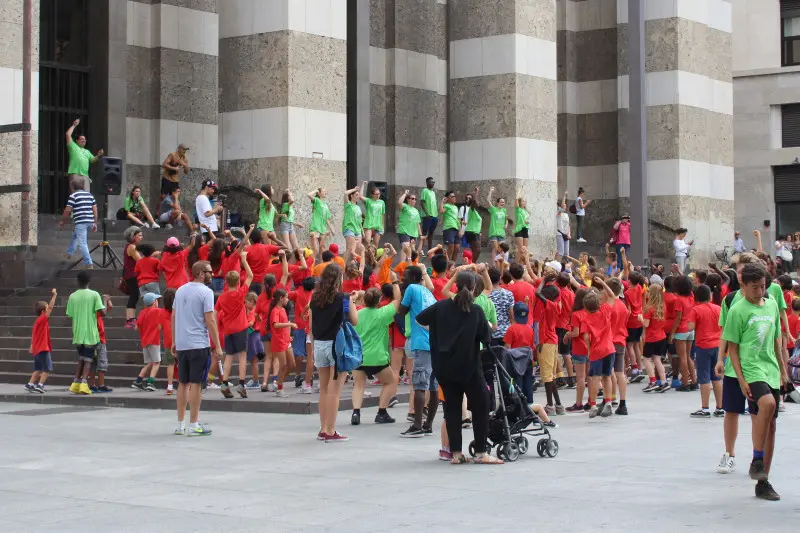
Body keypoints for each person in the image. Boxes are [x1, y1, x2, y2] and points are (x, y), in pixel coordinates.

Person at [416, 270, 501, 464]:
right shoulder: (476, 311)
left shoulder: (441, 307)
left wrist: (437, 331)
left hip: (444, 367)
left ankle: (456, 453)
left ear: (455, 285)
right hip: (469, 367)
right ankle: (480, 452)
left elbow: (420, 319)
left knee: (452, 409)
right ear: (473, 289)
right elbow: (486, 339)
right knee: (480, 407)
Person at [721, 263, 786, 501]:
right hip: (750, 369)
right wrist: (740, 378)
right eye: (755, 287)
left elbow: (776, 339)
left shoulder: (770, 304)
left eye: (763, 286)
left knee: (771, 425)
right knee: (766, 405)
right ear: (743, 286)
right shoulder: (737, 310)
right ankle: (757, 458)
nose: (760, 291)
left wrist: (782, 368)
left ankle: (763, 481)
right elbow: (733, 348)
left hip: (770, 368)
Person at [309, 263, 359, 442]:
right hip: (336, 345)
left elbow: (311, 325)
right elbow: (354, 320)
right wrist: (352, 301)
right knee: (334, 390)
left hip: (320, 344)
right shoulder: (343, 298)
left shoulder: (314, 297)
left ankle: (323, 428)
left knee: (323, 389)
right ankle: (331, 430)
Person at [173, 261, 222, 436]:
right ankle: (194, 423)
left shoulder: (180, 290)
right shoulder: (206, 292)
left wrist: (174, 340)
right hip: (198, 343)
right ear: (201, 273)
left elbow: (174, 316)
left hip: (182, 343)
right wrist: (217, 344)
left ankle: (180, 424)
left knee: (182, 383)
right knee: (196, 384)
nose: (212, 274)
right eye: (209, 271)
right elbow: (210, 320)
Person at [352, 279, 402, 425]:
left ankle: (356, 413)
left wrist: (355, 297)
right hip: (377, 357)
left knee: (359, 385)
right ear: (379, 299)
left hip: (359, 356)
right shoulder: (383, 314)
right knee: (390, 381)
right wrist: (395, 281)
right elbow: (398, 299)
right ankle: (382, 412)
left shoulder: (358, 313)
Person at [398, 265, 438, 437]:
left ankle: (417, 426)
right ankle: (428, 424)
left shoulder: (411, 288)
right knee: (433, 386)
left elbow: (401, 311)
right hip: (434, 343)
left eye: (406, 274)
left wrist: (398, 291)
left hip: (421, 342)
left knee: (420, 384)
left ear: (414, 277)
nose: (403, 276)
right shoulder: (428, 293)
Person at [215, 249, 254, 399]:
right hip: (241, 328)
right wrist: (244, 260)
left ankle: (224, 383)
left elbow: (216, 312)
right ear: (238, 281)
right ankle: (242, 384)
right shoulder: (240, 293)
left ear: (226, 282)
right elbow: (250, 276)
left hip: (228, 329)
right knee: (242, 357)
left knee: (229, 356)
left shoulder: (222, 298)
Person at [66, 271, 107, 395]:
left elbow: (71, 314)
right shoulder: (94, 295)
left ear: (78, 281)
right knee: (88, 360)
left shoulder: (72, 296)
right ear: (89, 281)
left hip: (78, 332)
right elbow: (103, 313)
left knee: (81, 359)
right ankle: (84, 383)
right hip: (90, 332)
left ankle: (76, 383)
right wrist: (105, 301)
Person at [686, 284, 724, 418]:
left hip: (703, 346)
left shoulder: (696, 310)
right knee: (717, 377)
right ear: (710, 295)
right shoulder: (718, 308)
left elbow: (690, 327)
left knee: (704, 377)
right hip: (718, 345)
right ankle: (720, 407)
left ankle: (705, 407)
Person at [581, 278, 617, 419]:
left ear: (585, 307)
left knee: (595, 378)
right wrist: (603, 283)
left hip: (596, 350)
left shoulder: (586, 319)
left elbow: (585, 337)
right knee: (607, 376)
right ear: (598, 303)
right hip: (609, 348)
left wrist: (589, 350)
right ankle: (608, 402)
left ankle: (594, 404)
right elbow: (613, 296)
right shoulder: (605, 311)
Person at [639, 284, 671, 393]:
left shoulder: (649, 308)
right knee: (657, 359)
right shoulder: (662, 306)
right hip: (661, 336)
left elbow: (646, 324)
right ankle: (663, 381)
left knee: (646, 359)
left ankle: (652, 381)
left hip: (651, 337)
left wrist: (640, 319)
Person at [26, 288, 57, 393]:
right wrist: (54, 296)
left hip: (37, 348)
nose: (49, 310)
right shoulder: (42, 319)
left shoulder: (37, 322)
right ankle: (40, 385)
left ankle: (30, 384)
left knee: (38, 368)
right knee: (47, 368)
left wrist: (32, 345)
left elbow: (34, 335)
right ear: (43, 311)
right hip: (43, 348)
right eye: (47, 308)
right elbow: (51, 307)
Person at [60, 181, 98, 268]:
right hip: (90, 221)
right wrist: (95, 222)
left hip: (81, 222)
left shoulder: (73, 196)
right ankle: (69, 253)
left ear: (73, 187)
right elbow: (95, 210)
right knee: (75, 235)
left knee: (82, 243)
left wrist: (63, 221)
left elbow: (68, 210)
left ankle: (88, 263)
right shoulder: (90, 195)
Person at [669, 275, 697, 391]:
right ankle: (694, 381)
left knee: (683, 357)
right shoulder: (692, 296)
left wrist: (672, 333)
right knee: (689, 356)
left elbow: (678, 319)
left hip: (681, 330)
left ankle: (685, 382)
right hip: (691, 329)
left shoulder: (679, 300)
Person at [131, 293, 162, 392]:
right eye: (157, 300)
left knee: (149, 362)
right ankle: (150, 382)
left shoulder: (142, 312)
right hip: (154, 340)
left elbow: (136, 327)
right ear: (154, 302)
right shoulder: (157, 311)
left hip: (145, 341)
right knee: (157, 362)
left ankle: (138, 381)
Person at [65, 118, 103, 191]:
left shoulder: (87, 151)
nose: (84, 140)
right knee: (75, 194)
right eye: (82, 139)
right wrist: (74, 125)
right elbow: (67, 135)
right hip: (75, 174)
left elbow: (92, 160)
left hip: (85, 176)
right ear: (77, 140)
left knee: (86, 195)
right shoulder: (73, 146)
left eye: (85, 139)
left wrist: (98, 155)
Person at [121, 226, 144, 328]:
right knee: (134, 295)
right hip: (132, 275)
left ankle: (131, 318)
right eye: (139, 235)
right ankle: (130, 319)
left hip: (130, 275)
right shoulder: (131, 247)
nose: (141, 237)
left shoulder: (130, 246)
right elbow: (140, 261)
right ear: (133, 236)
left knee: (134, 295)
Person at [487, 266, 514, 346]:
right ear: (500, 278)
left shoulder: (485, 295)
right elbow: (511, 315)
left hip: (491, 333)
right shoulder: (508, 294)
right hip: (506, 334)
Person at [308, 188, 335, 259]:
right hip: (316, 227)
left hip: (323, 228)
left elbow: (326, 219)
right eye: (323, 191)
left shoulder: (325, 205)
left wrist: (331, 229)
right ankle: (311, 267)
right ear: (319, 193)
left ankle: (322, 266)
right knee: (315, 250)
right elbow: (309, 195)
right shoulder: (317, 201)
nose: (325, 192)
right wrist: (316, 191)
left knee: (322, 248)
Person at [160, 289, 177, 395]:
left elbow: (160, 327)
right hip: (179, 339)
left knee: (170, 364)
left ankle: (170, 386)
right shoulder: (179, 311)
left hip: (168, 341)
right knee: (183, 364)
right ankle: (186, 384)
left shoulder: (161, 312)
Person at [397, 190, 422, 257]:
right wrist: (405, 193)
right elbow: (399, 203)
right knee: (405, 248)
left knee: (411, 252)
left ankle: (409, 265)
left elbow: (418, 223)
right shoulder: (405, 206)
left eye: (415, 199)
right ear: (408, 199)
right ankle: (402, 265)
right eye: (413, 198)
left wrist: (420, 235)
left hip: (414, 233)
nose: (414, 200)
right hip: (404, 231)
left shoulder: (416, 211)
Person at [343, 183, 365, 255]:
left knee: (358, 250)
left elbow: (359, 221)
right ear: (352, 196)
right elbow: (345, 193)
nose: (358, 197)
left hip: (358, 230)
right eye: (356, 195)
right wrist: (355, 189)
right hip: (349, 228)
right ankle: (342, 266)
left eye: (358, 195)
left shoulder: (358, 207)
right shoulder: (348, 205)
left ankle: (354, 266)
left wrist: (362, 231)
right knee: (349, 249)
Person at [486, 187, 508, 259]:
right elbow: (488, 200)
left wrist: (506, 224)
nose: (503, 203)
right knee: (496, 248)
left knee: (502, 249)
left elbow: (506, 219)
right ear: (497, 203)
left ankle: (500, 263)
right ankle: (494, 264)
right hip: (494, 232)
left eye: (503, 202)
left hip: (501, 232)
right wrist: (490, 191)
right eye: (501, 202)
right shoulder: (493, 209)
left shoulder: (504, 210)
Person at [462, 187, 482, 262]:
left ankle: (472, 264)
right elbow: (474, 201)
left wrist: (480, 232)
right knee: (478, 249)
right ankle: (472, 264)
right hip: (471, 232)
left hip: (475, 232)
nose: (477, 202)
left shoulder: (476, 213)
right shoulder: (471, 209)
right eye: (476, 202)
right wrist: (476, 192)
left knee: (475, 250)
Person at [440, 191, 460, 261]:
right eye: (452, 196)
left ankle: (452, 265)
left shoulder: (456, 207)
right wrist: (442, 202)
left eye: (454, 196)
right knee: (451, 247)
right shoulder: (446, 205)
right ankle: (445, 264)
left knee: (457, 248)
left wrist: (460, 229)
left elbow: (457, 219)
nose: (454, 198)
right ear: (448, 198)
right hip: (448, 228)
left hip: (456, 228)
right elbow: (441, 211)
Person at [420, 177, 438, 254]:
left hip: (434, 216)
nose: (433, 183)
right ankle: (421, 249)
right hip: (427, 216)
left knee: (431, 233)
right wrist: (427, 213)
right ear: (427, 183)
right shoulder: (424, 190)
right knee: (424, 233)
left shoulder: (433, 192)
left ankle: (430, 250)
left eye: (433, 182)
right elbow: (422, 202)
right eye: (431, 182)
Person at [556, 191, 571, 260]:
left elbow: (568, 225)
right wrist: (564, 196)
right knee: (561, 252)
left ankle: (565, 267)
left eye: (565, 205)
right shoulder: (559, 213)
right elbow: (562, 206)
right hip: (559, 233)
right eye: (563, 205)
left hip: (566, 233)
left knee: (566, 254)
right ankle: (557, 267)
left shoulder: (566, 215)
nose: (565, 206)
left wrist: (569, 233)